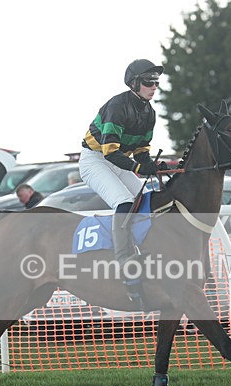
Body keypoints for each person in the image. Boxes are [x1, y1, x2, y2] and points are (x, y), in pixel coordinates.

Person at [79, 58, 164, 310]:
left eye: (156, 82)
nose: (154, 86)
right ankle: (124, 260)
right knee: (125, 201)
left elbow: (141, 151)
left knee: (147, 199)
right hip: (95, 160)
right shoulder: (117, 106)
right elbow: (109, 152)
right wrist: (138, 167)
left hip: (118, 159)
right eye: (148, 81)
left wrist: (150, 164)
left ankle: (146, 248)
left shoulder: (149, 112)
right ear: (134, 83)